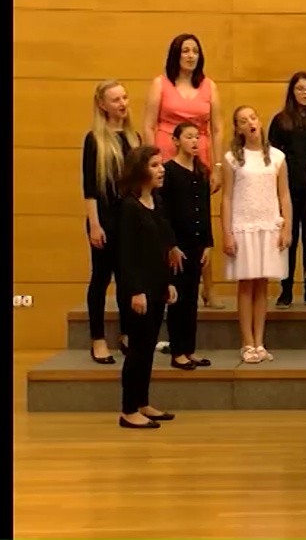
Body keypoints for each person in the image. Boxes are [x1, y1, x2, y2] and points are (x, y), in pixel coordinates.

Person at [143, 33, 225, 309]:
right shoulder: (160, 84)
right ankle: (164, 284)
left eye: (195, 51)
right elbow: (148, 124)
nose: (190, 56)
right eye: (185, 51)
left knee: (199, 223)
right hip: (167, 157)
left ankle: (208, 288)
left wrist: (216, 166)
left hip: (198, 158)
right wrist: (150, 162)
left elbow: (217, 128)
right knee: (167, 222)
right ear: (175, 55)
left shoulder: (208, 86)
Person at [221, 106, 293, 364]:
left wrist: (286, 227)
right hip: (243, 225)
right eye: (243, 121)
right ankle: (246, 342)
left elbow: (284, 195)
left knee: (262, 284)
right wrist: (227, 233)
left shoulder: (277, 157)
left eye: (253, 117)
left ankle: (260, 341)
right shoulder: (232, 159)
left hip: (268, 224)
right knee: (246, 284)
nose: (250, 123)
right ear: (238, 129)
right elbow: (227, 197)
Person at [116, 145, 178, 428]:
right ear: (141, 170)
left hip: (156, 285)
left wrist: (168, 283)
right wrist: (135, 291)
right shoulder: (129, 206)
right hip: (138, 290)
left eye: (161, 164)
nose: (161, 169)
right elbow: (126, 256)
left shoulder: (157, 202)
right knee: (138, 350)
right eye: (154, 165)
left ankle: (143, 402)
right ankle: (128, 410)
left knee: (149, 348)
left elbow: (161, 247)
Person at [82, 80, 140, 364]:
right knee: (102, 278)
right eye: (115, 99)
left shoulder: (134, 138)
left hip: (129, 220)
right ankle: (98, 339)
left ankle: (128, 333)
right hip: (104, 219)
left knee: (128, 279)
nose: (122, 104)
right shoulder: (95, 139)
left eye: (125, 98)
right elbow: (90, 188)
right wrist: (94, 224)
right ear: (103, 105)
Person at [268, 71, 306, 308]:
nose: (305, 93)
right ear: (292, 92)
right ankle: (285, 289)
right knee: (289, 239)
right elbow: (273, 155)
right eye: (300, 89)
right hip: (288, 187)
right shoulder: (281, 121)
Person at [161, 123, 213, 370]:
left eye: (198, 137)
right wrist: (170, 245)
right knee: (178, 299)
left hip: (196, 243)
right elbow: (164, 213)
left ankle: (189, 349)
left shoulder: (201, 172)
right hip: (177, 247)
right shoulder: (168, 172)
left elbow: (205, 210)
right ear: (176, 140)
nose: (195, 141)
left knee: (192, 298)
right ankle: (177, 351)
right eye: (189, 137)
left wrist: (208, 244)